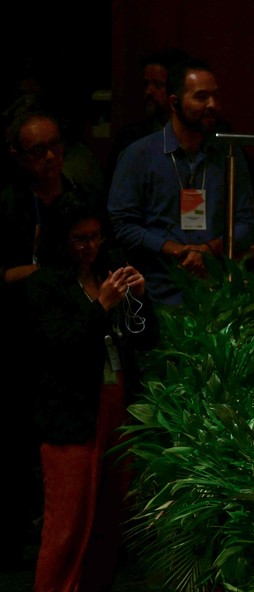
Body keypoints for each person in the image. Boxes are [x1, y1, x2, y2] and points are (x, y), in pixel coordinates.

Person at [27, 191, 157, 591]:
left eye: (96, 237)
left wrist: (139, 298)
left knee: (109, 516)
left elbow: (145, 338)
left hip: (114, 399)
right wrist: (100, 307)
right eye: (80, 239)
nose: (90, 246)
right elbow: (59, 348)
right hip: (71, 413)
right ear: (62, 240)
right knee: (67, 525)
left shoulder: (108, 273)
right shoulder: (45, 284)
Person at [108, 57, 254, 306]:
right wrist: (178, 250)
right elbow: (122, 225)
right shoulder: (139, 155)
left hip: (217, 294)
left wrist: (209, 250)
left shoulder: (228, 154)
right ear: (174, 102)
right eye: (201, 97)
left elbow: (247, 222)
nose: (212, 104)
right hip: (156, 293)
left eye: (215, 96)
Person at [0, 110, 79, 570]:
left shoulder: (76, 198)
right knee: (15, 451)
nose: (50, 157)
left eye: (56, 145)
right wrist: (25, 274)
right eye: (37, 150)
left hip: (66, 341)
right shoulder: (8, 203)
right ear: (16, 155)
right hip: (16, 339)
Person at [106, 47, 190, 182]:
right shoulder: (130, 138)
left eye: (157, 85)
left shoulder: (194, 135)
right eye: (146, 84)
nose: (149, 92)